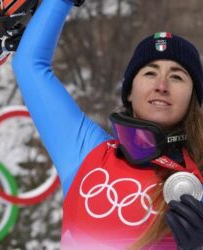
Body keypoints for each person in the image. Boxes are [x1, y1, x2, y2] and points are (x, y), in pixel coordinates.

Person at [12, 0, 203, 249]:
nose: (162, 85)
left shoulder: (196, 177)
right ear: (130, 92)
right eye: (149, 73)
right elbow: (29, 66)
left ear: (193, 98)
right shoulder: (84, 151)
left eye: (177, 76)